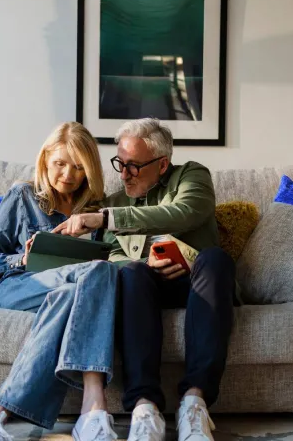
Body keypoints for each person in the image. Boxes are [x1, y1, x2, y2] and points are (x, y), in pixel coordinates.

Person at [53, 118, 236, 441]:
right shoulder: (114, 200)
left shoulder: (192, 176)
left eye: (134, 166)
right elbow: (107, 256)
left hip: (201, 285)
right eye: (120, 164)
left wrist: (106, 219)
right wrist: (141, 259)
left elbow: (183, 213)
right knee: (131, 272)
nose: (123, 174)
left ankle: (194, 404)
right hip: (146, 290)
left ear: (162, 164)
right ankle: (144, 406)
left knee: (215, 259)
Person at [0, 122, 119, 441]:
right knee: (99, 271)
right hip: (20, 286)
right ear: (45, 159)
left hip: (70, 288)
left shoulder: (94, 210)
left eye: (79, 168)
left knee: (71, 293)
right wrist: (21, 259)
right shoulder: (22, 195)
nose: (68, 175)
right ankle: (93, 406)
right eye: (60, 164)